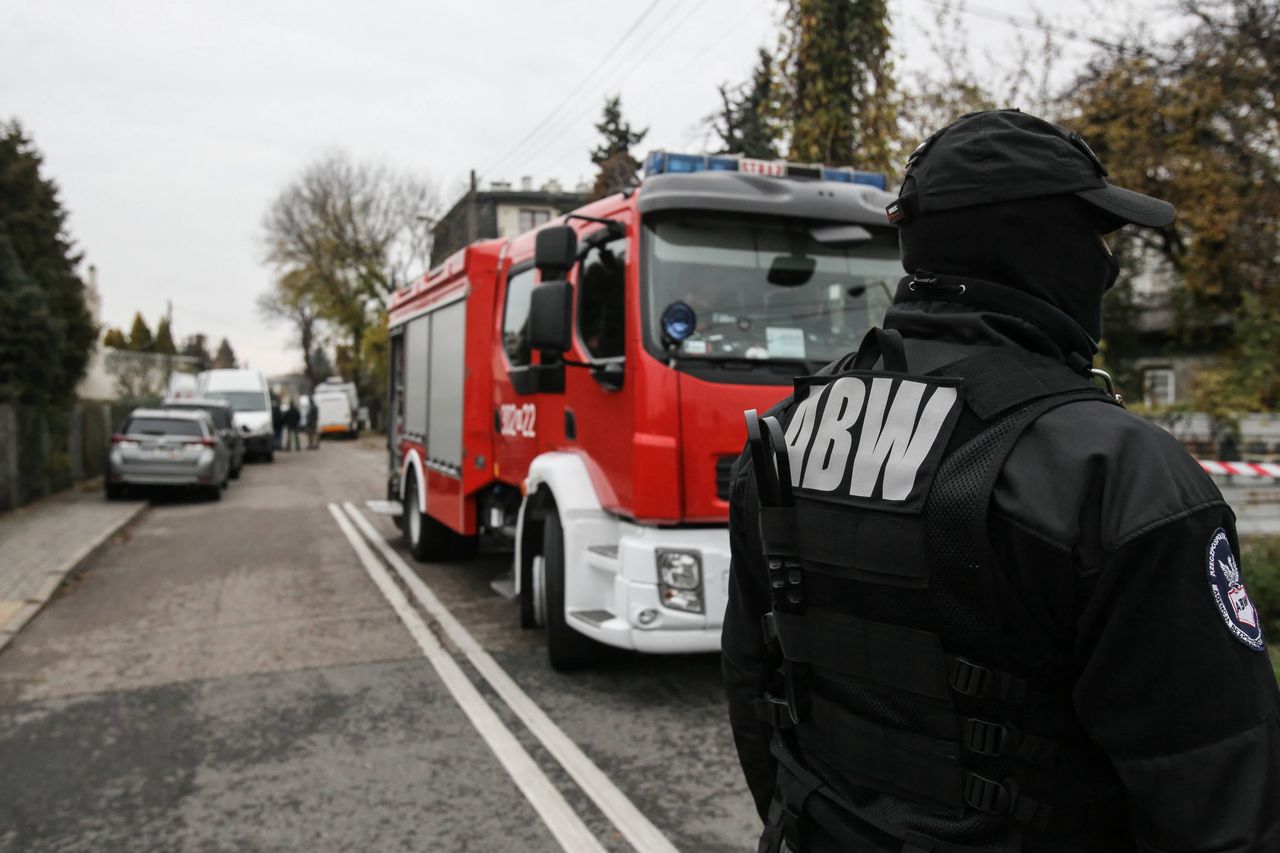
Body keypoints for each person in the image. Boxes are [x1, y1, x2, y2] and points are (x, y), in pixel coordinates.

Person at [723, 109, 1280, 852]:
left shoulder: (785, 435)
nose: (1106, 263)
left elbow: (754, 693)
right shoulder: (1116, 474)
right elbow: (1218, 796)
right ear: (1037, 245)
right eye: (1096, 235)